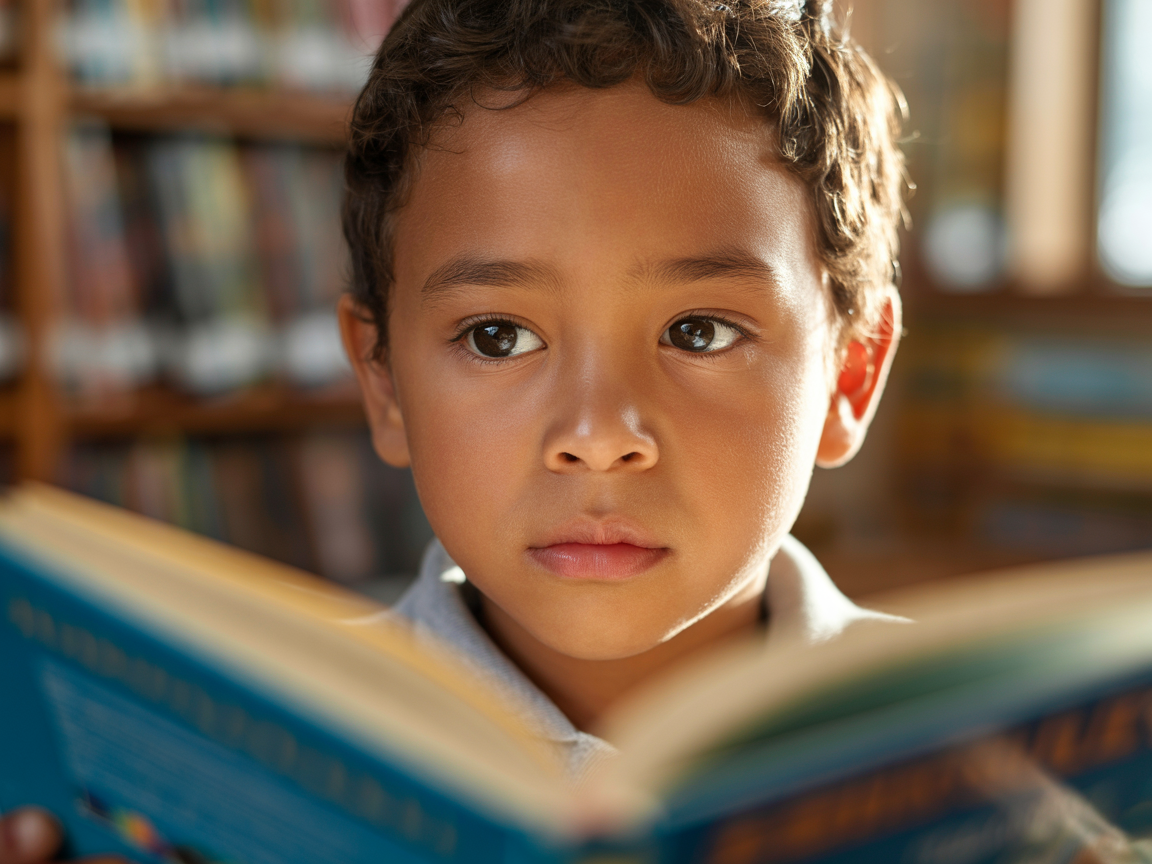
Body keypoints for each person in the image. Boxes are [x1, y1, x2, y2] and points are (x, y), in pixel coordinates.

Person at [0, 0, 909, 858]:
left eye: (699, 332)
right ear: (384, 381)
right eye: (497, 336)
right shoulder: (238, 764)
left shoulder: (989, 754)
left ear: (851, 373)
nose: (596, 436)